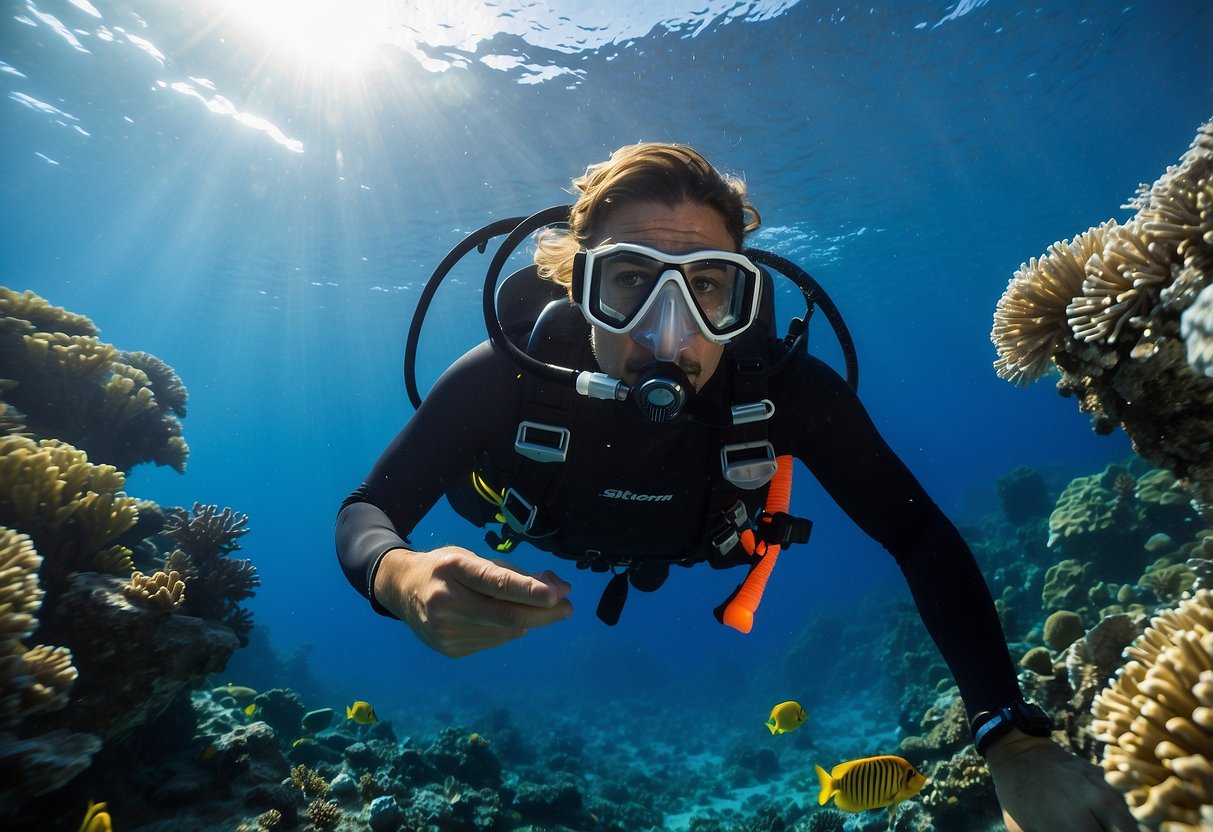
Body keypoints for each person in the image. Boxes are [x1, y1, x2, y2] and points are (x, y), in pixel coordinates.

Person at [335, 143, 1136, 831]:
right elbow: (370, 510)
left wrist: (1011, 736)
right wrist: (399, 576)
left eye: (706, 287)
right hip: (536, 519)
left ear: (740, 293)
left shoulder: (785, 390)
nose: (668, 329)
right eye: (628, 283)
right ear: (580, 286)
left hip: (698, 539)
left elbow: (915, 532)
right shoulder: (505, 380)